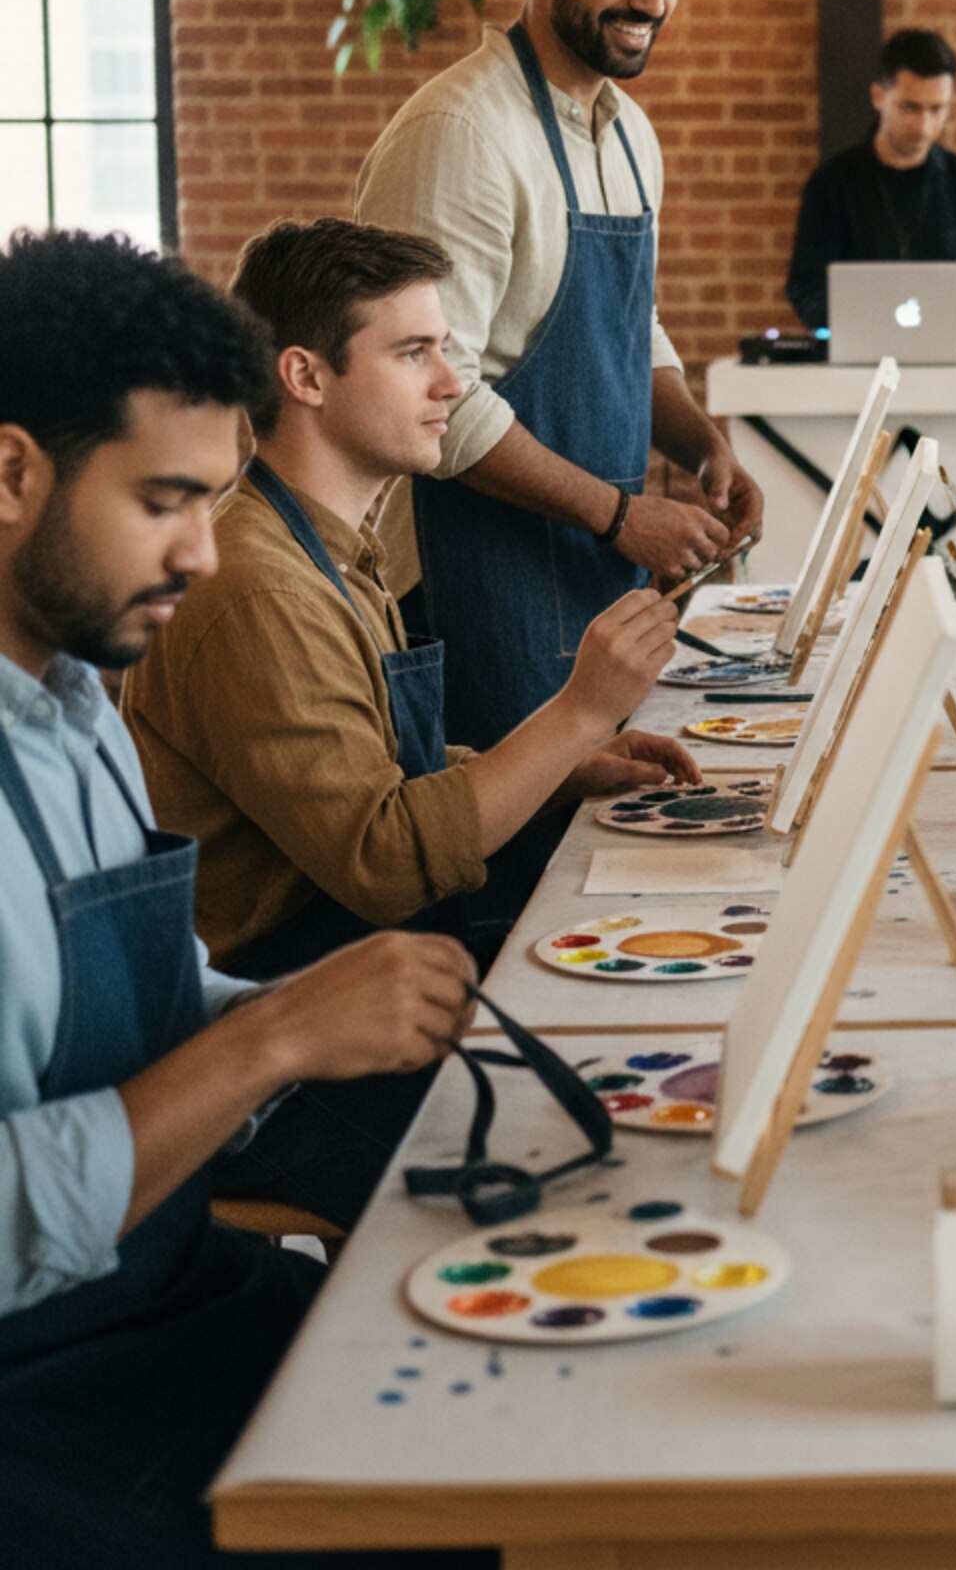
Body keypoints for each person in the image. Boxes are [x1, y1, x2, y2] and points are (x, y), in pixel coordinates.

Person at [0, 230, 482, 1570]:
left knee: (503, 1389)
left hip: (160, 1287)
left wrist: (313, 1010)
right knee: (467, 1517)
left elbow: (140, 999)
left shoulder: (74, 698)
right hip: (40, 1395)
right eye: (165, 501)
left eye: (215, 503)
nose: (206, 558)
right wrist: (277, 1041)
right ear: (9, 472)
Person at [121, 218, 696, 1230]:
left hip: (369, 984)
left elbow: (384, 767)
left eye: (446, 350)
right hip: (288, 1062)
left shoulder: (337, 543)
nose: (449, 384)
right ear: (304, 374)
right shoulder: (256, 585)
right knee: (601, 1183)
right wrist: (576, 710)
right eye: (413, 351)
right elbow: (384, 855)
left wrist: (570, 763)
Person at [355, 0, 764, 749]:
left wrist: (702, 449)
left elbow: (631, 332)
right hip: (473, 576)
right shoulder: (461, 131)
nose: (651, 0)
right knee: (504, 866)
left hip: (589, 569)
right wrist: (622, 516)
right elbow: (424, 392)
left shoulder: (629, 134)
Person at [785, 28, 956, 334]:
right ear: (878, 96)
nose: (924, 127)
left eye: (936, 109)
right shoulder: (832, 184)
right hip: (859, 362)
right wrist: (845, 325)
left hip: (953, 357)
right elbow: (805, 284)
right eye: (910, 107)